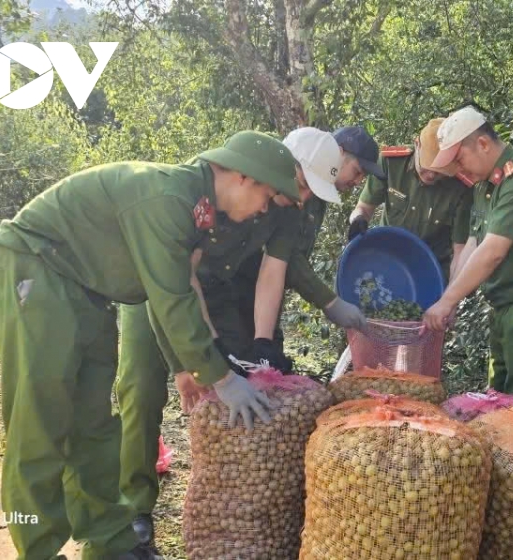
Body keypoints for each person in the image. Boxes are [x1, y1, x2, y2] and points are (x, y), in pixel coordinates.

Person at [0, 131, 293, 560]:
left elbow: (182, 288)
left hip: (88, 291)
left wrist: (206, 362)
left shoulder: (199, 209)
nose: (264, 208)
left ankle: (110, 544)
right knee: (39, 420)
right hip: (36, 268)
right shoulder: (168, 198)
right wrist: (221, 379)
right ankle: (38, 549)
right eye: (267, 195)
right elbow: (172, 299)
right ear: (243, 176)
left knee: (94, 423)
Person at [116, 127, 380, 551]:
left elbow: (272, 273)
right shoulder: (213, 186)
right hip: (154, 285)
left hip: (214, 294)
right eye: (300, 185)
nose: (302, 197)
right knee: (142, 390)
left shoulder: (288, 210)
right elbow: (174, 281)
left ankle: (227, 512)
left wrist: (261, 344)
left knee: (225, 388)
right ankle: (134, 510)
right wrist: (185, 365)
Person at [423, 107, 513, 404]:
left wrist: (448, 301)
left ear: (482, 143)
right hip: (504, 307)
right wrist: (451, 299)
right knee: (499, 403)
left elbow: (492, 252)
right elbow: (473, 244)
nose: (458, 170)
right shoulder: (484, 186)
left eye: (459, 159)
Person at [347, 118, 475, 281]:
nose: (431, 175)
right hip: (387, 258)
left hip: (430, 270)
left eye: (440, 172)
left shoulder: (460, 188)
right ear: (417, 145)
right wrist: (358, 219)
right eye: (427, 166)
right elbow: (363, 208)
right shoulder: (391, 162)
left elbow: (460, 251)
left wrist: (451, 294)